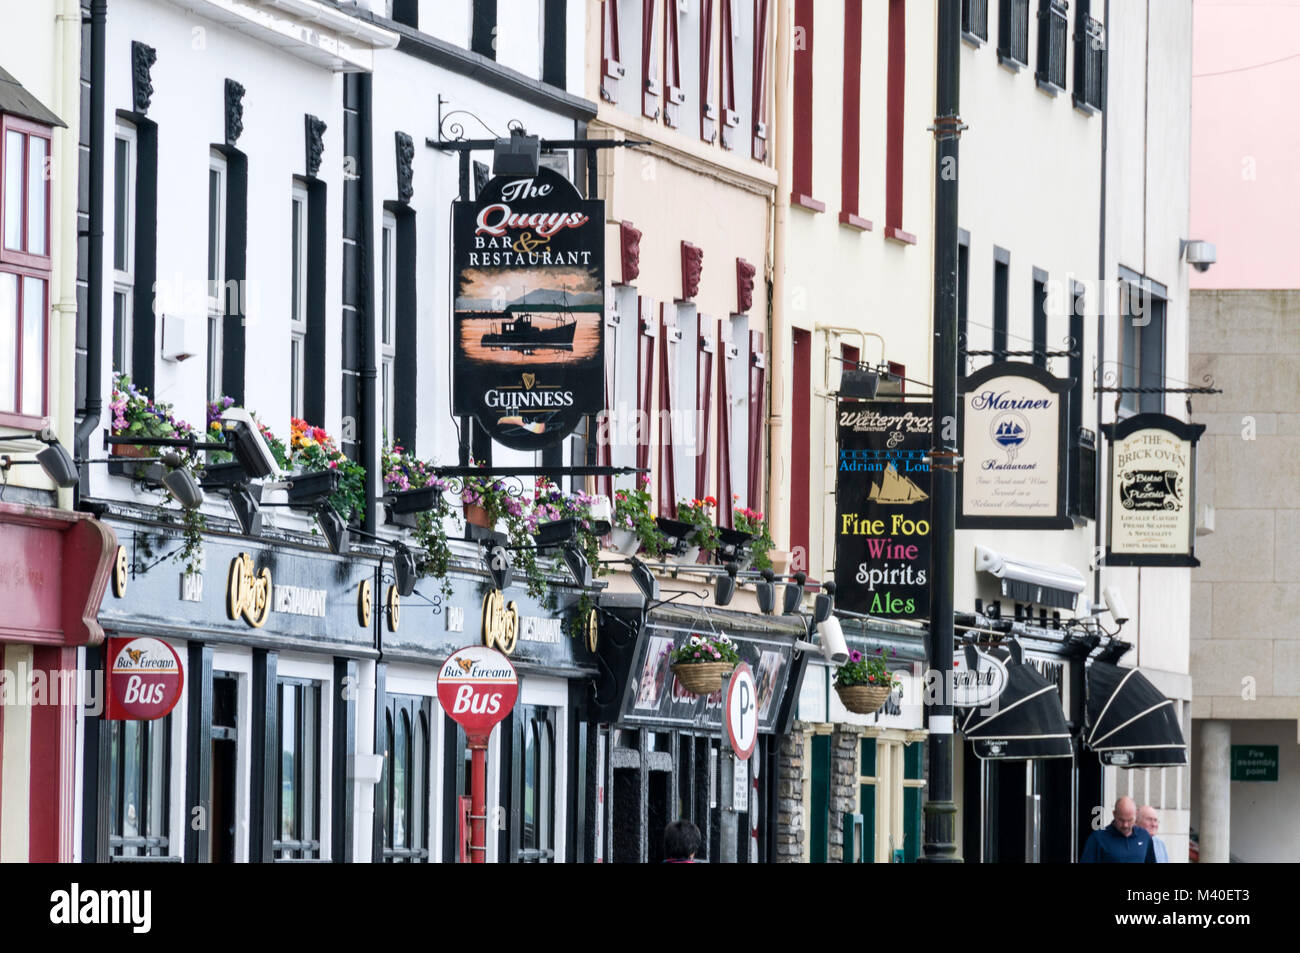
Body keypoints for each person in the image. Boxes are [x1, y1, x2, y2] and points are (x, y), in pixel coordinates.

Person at [1080, 796, 1156, 863]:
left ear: (1136, 814)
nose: (1125, 825)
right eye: (1121, 820)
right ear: (1114, 814)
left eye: (1129, 820)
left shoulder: (1144, 836)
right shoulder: (1098, 838)